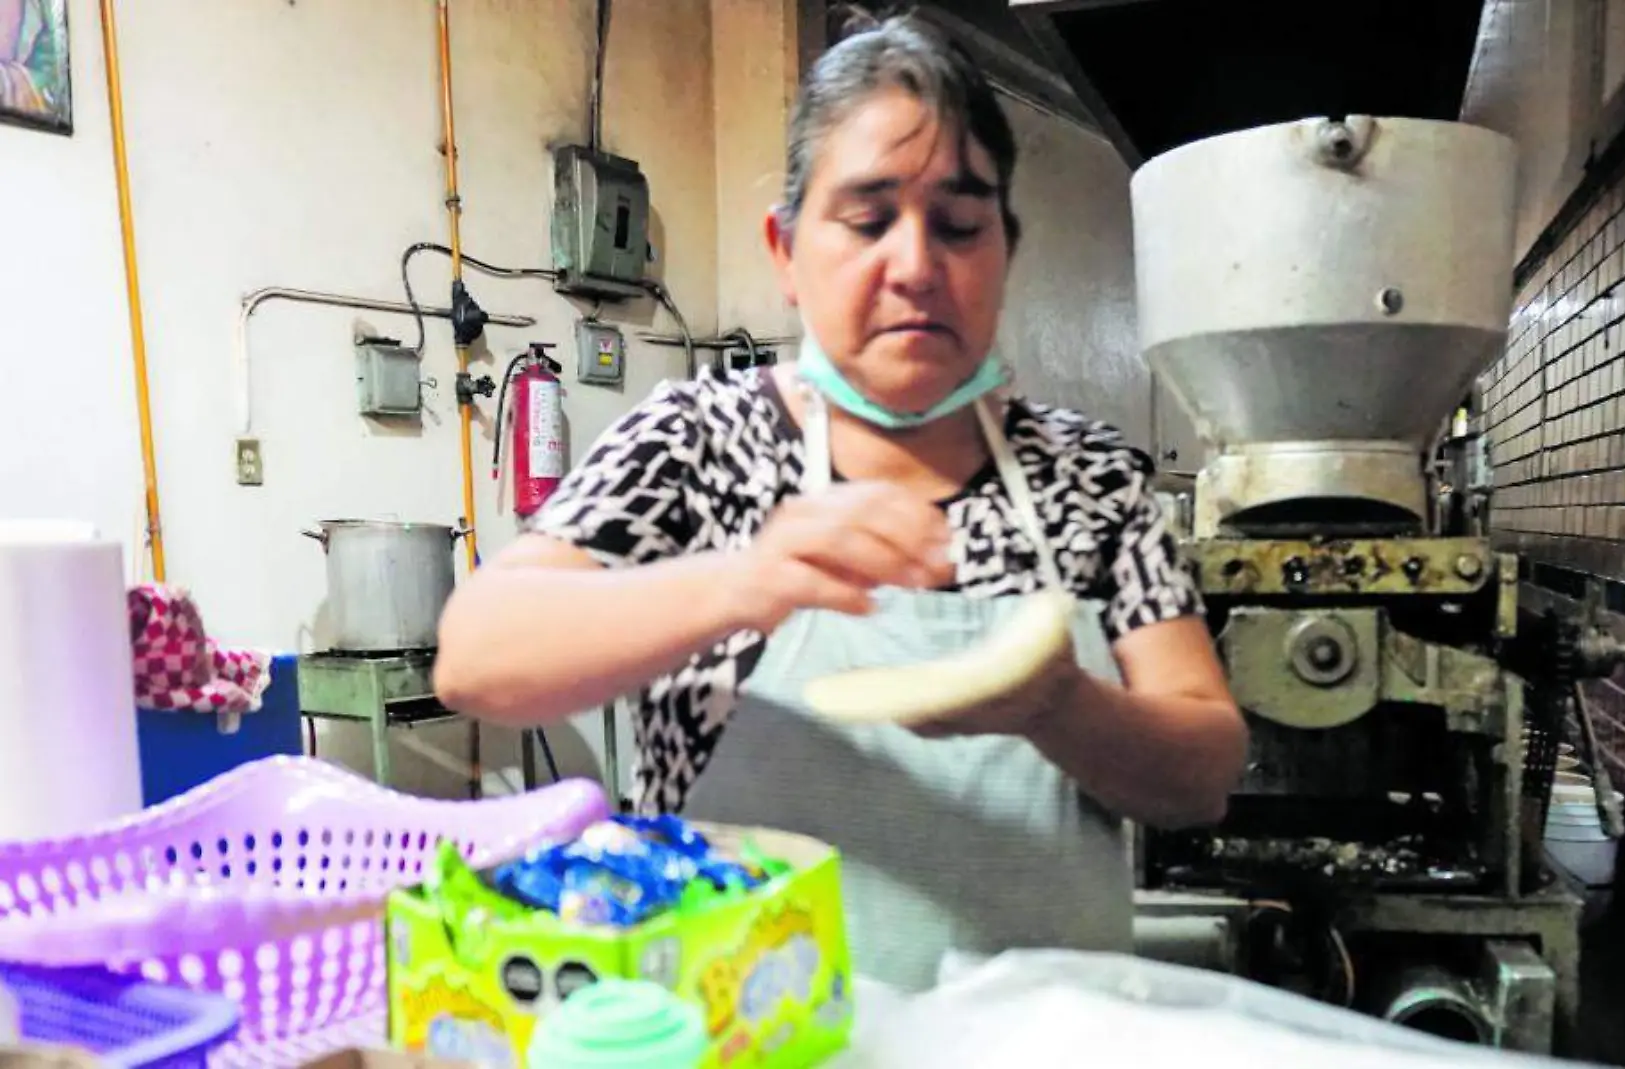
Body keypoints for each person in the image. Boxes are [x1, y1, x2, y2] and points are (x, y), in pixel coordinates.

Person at [435, 12, 1246, 991]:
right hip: (754, 1039)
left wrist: (1057, 706)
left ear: (1005, 248)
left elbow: (1203, 772)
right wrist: (747, 579)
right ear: (784, 249)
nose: (913, 264)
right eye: (866, 221)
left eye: (957, 224)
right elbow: (477, 658)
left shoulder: (1089, 479)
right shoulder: (698, 446)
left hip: (1041, 1035)